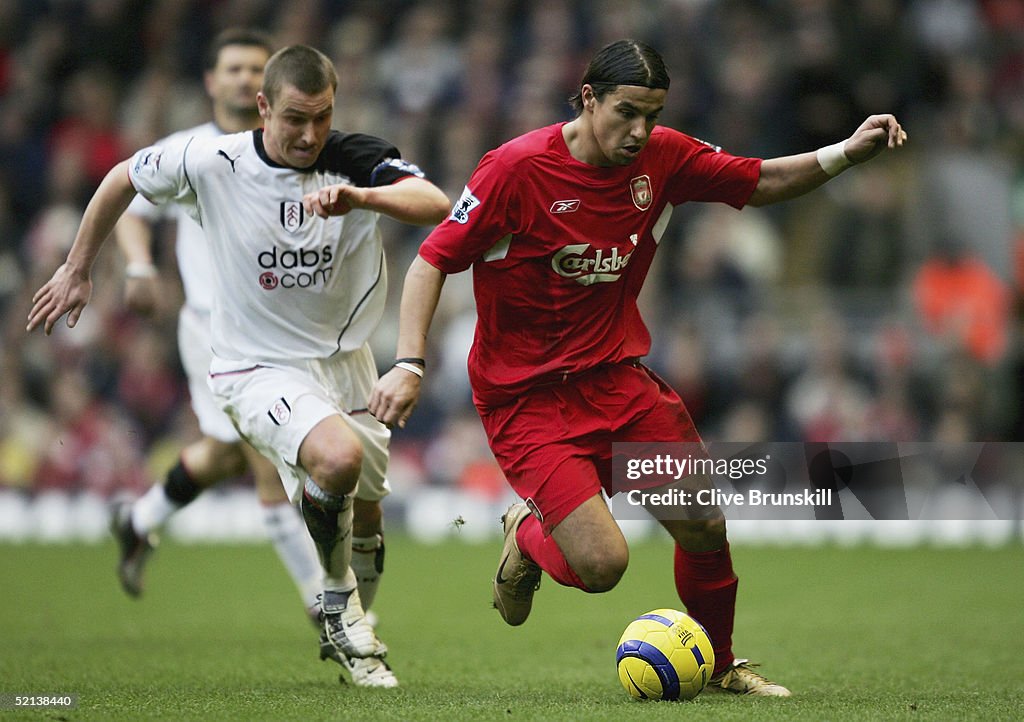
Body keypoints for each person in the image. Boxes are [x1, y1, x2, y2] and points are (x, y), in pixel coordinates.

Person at [368, 39, 908, 696]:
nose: (640, 130)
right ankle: (525, 530)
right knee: (601, 564)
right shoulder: (515, 170)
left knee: (704, 522)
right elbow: (431, 260)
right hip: (527, 399)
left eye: (652, 115)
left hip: (619, 382)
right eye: (627, 112)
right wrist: (409, 363)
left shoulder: (663, 158)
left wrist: (845, 153)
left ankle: (720, 666)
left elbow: (759, 180)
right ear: (588, 98)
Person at [27, 44, 450, 689]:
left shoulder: (355, 156)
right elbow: (121, 180)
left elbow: (435, 203)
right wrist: (79, 268)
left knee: (367, 514)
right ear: (262, 108)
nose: (310, 135)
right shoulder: (208, 159)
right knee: (333, 461)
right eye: (294, 120)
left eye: (321, 118)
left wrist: (362, 199)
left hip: (346, 363)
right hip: (253, 364)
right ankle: (334, 607)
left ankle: (352, 625)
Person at [108, 27, 381, 687]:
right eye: (230, 68)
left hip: (288, 335)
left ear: (267, 91)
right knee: (269, 467)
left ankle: (139, 519)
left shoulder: (302, 156)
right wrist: (139, 265)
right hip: (218, 334)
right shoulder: (192, 152)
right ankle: (325, 607)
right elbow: (127, 204)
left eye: (252, 69)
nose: (239, 78)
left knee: (228, 454)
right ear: (213, 82)